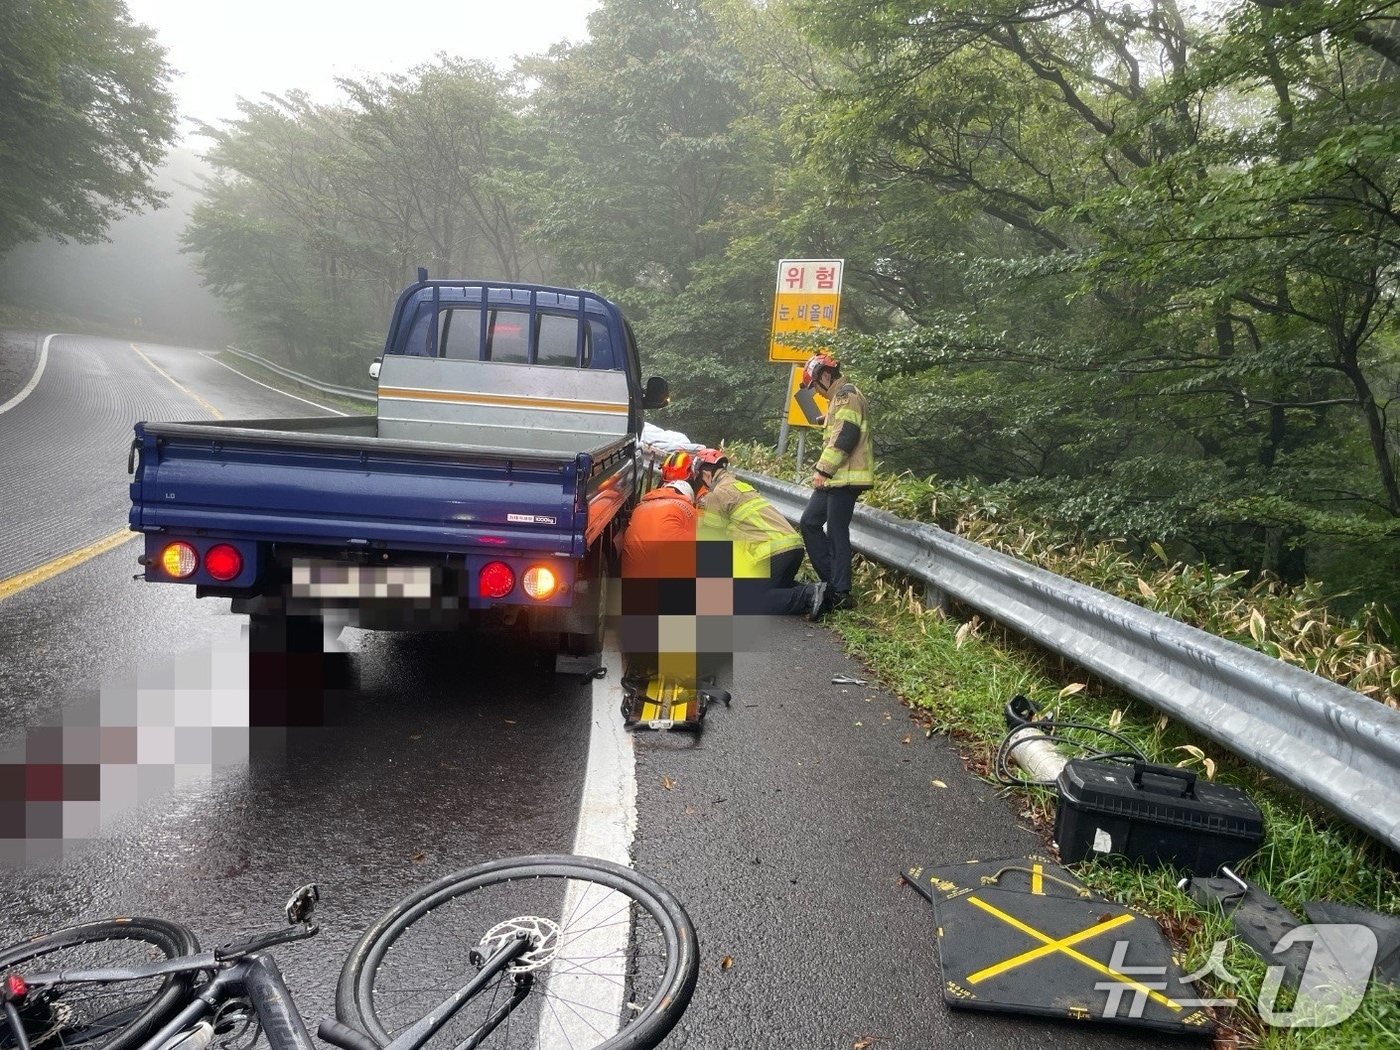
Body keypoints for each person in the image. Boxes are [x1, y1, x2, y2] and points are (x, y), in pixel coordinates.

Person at [694, 448, 827, 619]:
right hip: (792, 547)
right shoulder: (741, 486)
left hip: (771, 553)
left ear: (705, 474)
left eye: (700, 479)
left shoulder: (716, 494)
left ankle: (809, 595)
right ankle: (822, 594)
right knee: (774, 587)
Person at [798, 353, 873, 611]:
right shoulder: (837, 400)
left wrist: (824, 470)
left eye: (815, 386)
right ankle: (832, 583)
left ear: (825, 376)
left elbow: (845, 435)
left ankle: (841, 592)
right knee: (809, 522)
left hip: (844, 477)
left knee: (836, 531)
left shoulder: (846, 396)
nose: (817, 393)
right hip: (836, 478)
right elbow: (839, 426)